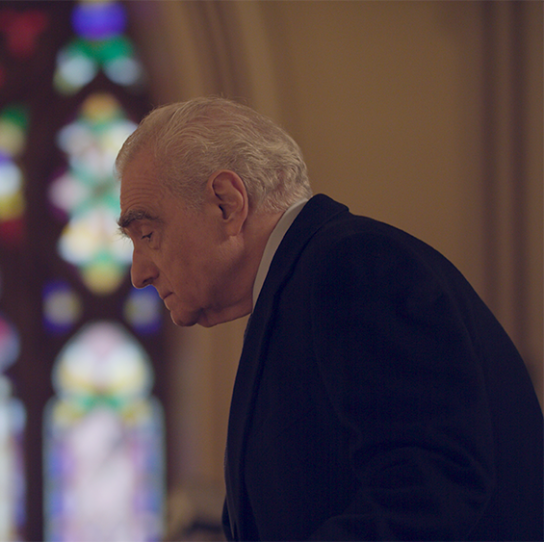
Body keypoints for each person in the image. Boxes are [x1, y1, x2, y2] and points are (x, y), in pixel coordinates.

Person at [115, 96, 544, 541]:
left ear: (226, 203)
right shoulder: (307, 283)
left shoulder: (353, 267)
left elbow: (433, 486)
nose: (139, 273)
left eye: (148, 235)